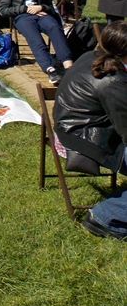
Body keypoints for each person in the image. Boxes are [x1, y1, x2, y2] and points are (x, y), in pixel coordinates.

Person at [53, 22, 127, 240]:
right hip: (88, 141)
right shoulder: (112, 80)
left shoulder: (92, 57)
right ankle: (107, 217)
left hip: (72, 129)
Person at [0, 0, 73, 84]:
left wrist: (41, 7)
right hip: (22, 17)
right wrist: (25, 8)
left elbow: (50, 7)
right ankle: (50, 69)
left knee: (55, 28)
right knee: (35, 39)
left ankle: (68, 64)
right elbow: (3, 11)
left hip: (41, 15)